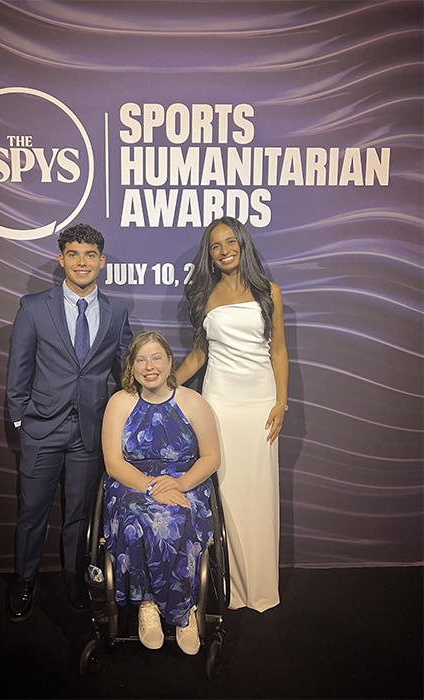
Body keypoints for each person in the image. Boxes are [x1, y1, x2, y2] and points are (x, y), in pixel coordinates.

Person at [6, 223, 132, 621]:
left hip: (89, 434)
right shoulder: (33, 306)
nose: (82, 262)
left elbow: (124, 369)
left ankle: (74, 578)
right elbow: (19, 370)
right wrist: (21, 421)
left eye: (90, 255)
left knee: (79, 514)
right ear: (62, 260)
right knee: (33, 511)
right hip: (41, 428)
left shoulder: (116, 312)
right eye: (74, 254)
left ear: (102, 262)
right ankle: (24, 580)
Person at [176, 216, 289, 613]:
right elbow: (199, 356)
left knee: (257, 495)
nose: (224, 251)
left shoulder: (268, 291)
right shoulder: (205, 296)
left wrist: (281, 402)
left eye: (230, 242)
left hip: (259, 406)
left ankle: (258, 586)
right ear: (209, 255)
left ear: (242, 244)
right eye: (215, 246)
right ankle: (226, 585)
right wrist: (164, 385)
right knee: (225, 493)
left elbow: (277, 351)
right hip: (219, 403)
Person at [102, 332, 220, 654]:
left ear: (170, 363)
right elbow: (113, 463)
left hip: (183, 479)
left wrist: (179, 484)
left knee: (179, 515)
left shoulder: (193, 402)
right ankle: (148, 605)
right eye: (141, 359)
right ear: (132, 366)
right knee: (137, 516)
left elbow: (211, 457)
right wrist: (151, 487)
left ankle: (183, 613)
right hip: (132, 480)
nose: (149, 366)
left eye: (156, 358)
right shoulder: (120, 403)